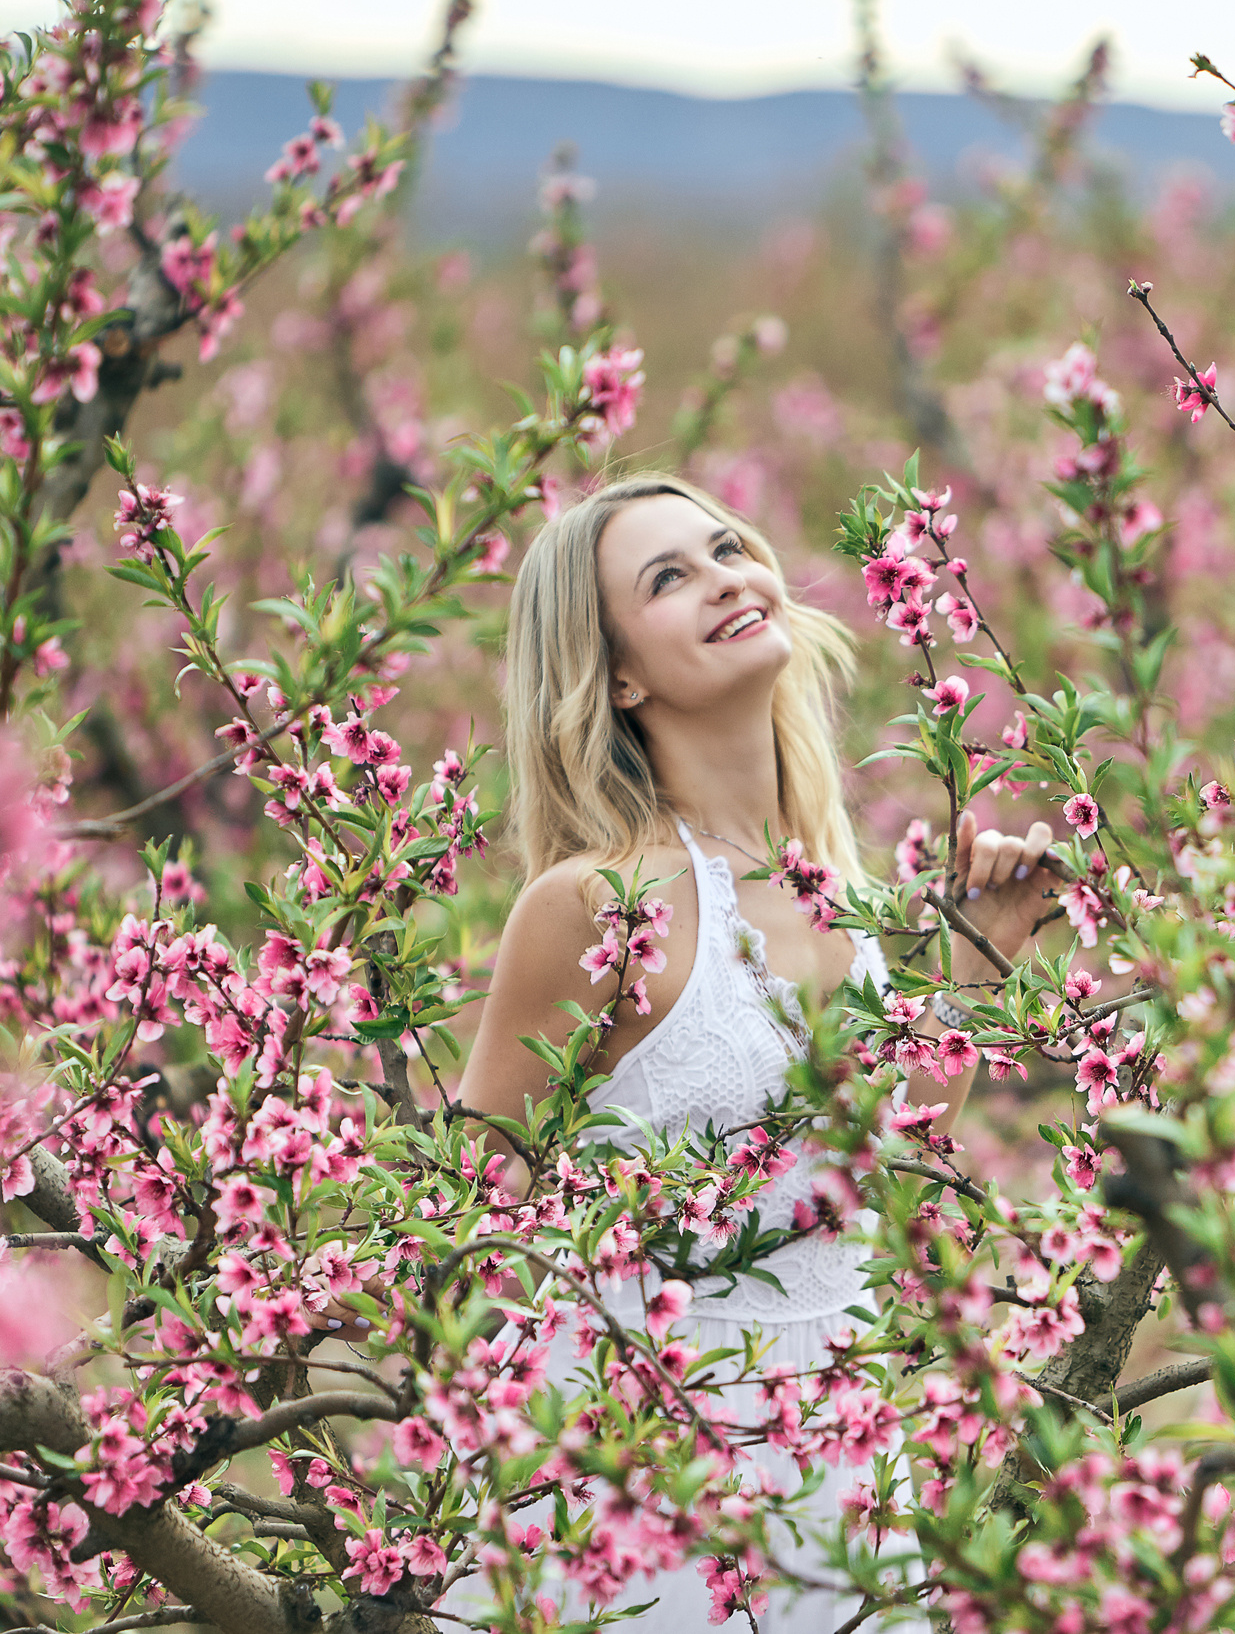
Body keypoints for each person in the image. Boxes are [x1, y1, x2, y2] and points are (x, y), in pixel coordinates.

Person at [450, 476, 1053, 1632]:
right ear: (616, 674)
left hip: (835, 1452)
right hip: (635, 1477)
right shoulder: (591, 903)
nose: (726, 574)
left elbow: (881, 1165)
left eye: (727, 546)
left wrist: (980, 966)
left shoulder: (843, 893)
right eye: (668, 577)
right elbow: (467, 1220)